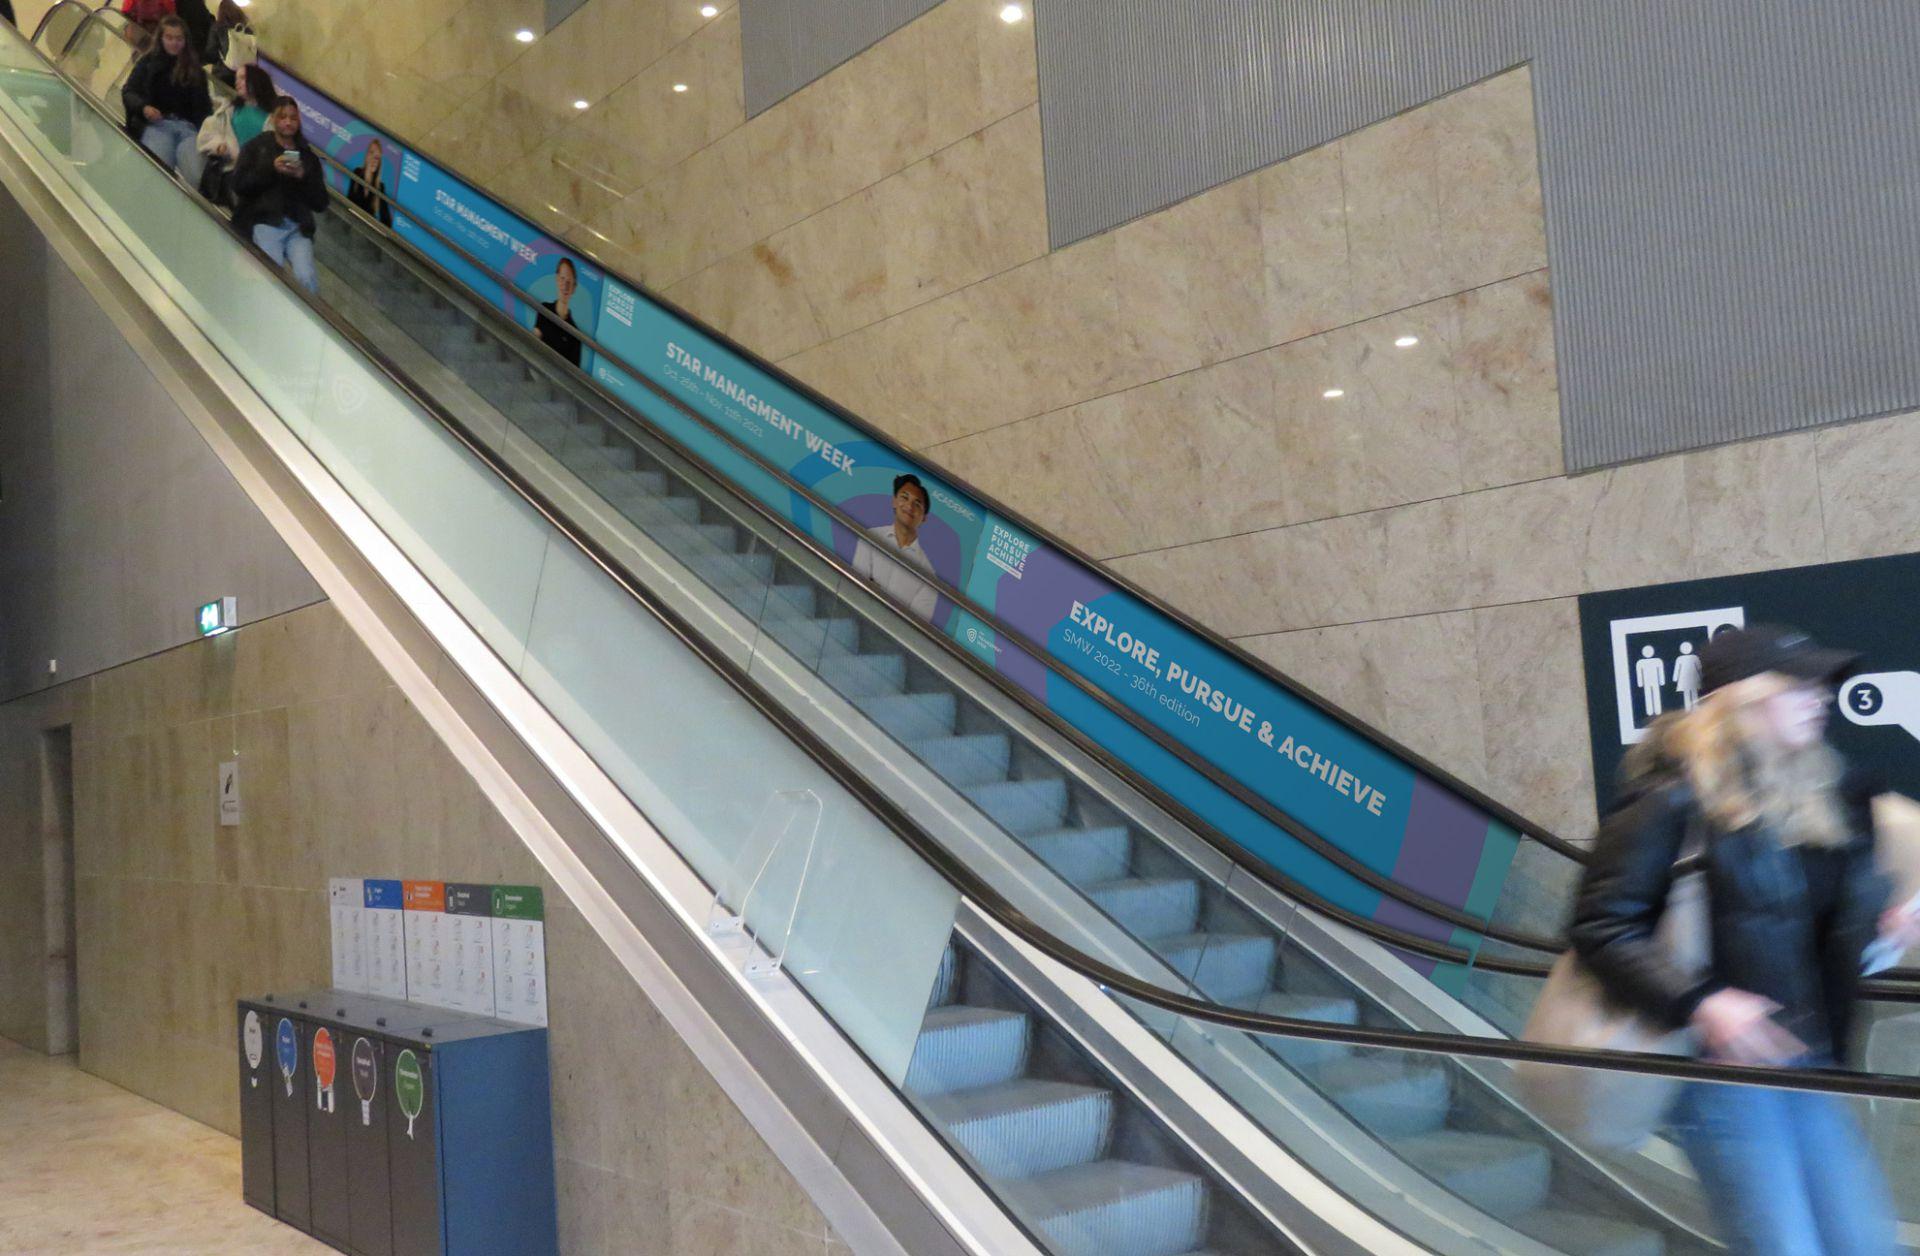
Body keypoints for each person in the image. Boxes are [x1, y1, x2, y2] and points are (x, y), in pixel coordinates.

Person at [1570, 624, 1920, 1256]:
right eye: (1800, 686)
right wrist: (1702, 1001)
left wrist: (1881, 935)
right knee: (1785, 1247)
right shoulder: (1670, 798)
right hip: (1721, 1078)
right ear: (1744, 698)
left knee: (1863, 1242)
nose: (1822, 697)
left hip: (1810, 1064)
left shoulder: (1817, 796)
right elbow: (1602, 926)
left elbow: (1804, 941)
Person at [232, 96, 327, 295]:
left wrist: (302, 176)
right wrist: (271, 168)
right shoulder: (256, 147)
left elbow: (321, 202)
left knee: (306, 277)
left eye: (293, 118)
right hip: (265, 222)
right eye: (282, 117)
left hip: (298, 227)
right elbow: (239, 184)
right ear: (273, 119)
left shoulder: (307, 157)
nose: (288, 122)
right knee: (272, 277)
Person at [122, 16, 211, 190]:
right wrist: (144, 108)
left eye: (179, 39)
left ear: (185, 41)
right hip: (157, 125)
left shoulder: (195, 71)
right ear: (161, 38)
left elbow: (204, 109)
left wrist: (208, 134)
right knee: (157, 175)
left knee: (196, 177)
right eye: (169, 38)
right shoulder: (148, 63)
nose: (174, 43)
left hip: (188, 129)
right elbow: (129, 91)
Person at [850, 474, 939, 621]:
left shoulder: (929, 576)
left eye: (917, 504)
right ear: (894, 501)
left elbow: (913, 623)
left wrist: (874, 586)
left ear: (924, 518)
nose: (909, 506)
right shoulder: (871, 536)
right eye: (904, 497)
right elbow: (855, 587)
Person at [196, 61, 274, 205]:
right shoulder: (229, 110)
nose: (237, 82)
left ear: (256, 81)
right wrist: (219, 146)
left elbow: (288, 148)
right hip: (228, 172)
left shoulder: (273, 118)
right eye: (237, 78)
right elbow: (207, 133)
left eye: (243, 78)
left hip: (254, 177)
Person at [533, 257, 583, 367]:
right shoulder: (544, 309)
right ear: (557, 279)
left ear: (574, 288)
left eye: (569, 282)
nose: (565, 286)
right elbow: (533, 342)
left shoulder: (575, 335)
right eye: (562, 279)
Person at [204, 0, 253, 87]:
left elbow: (211, 53)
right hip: (244, 74)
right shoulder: (247, 29)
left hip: (222, 73)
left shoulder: (217, 28)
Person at [347, 137, 393, 228]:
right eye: (371, 153)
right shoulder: (357, 173)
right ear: (367, 155)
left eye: (377, 158)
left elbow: (387, 220)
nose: (374, 160)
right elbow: (349, 200)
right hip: (350, 222)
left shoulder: (380, 187)